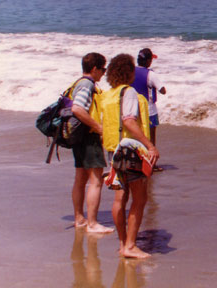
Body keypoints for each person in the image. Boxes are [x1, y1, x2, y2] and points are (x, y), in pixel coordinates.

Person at [102, 54, 159, 258]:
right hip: (130, 150)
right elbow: (129, 121)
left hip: (113, 150)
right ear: (129, 72)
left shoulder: (108, 95)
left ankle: (122, 243)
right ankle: (130, 246)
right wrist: (150, 145)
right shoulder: (129, 92)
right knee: (140, 198)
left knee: (120, 197)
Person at [69, 52, 114, 234]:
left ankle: (80, 218)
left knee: (80, 179)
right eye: (103, 69)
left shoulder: (77, 83)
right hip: (88, 136)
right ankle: (93, 223)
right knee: (96, 180)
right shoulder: (87, 84)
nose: (103, 73)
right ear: (94, 69)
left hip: (77, 136)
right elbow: (78, 108)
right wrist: (99, 128)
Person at [130, 48, 166, 172]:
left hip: (133, 109)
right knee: (151, 138)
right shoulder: (151, 74)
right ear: (149, 61)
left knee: (137, 136)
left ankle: (137, 161)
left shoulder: (130, 71)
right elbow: (163, 90)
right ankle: (151, 164)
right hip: (149, 110)